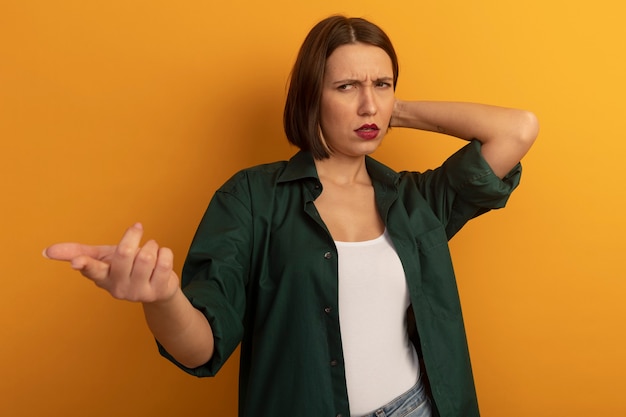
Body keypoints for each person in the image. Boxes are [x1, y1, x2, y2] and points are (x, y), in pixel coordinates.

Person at [44, 15, 539, 417]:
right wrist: (164, 299)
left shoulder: (416, 200)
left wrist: (390, 108)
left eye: (382, 84)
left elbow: (518, 129)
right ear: (310, 95)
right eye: (345, 87)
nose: (368, 104)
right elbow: (199, 350)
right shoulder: (252, 198)